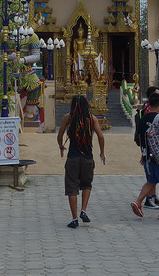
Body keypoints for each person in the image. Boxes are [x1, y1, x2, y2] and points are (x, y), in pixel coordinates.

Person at [56, 95, 106, 228]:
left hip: (72, 157)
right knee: (86, 184)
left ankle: (74, 219)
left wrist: (61, 146)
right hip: (87, 157)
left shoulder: (68, 117)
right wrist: (102, 152)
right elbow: (101, 136)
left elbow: (60, 134)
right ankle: (83, 210)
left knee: (72, 188)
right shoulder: (92, 118)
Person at [131, 93, 159, 220]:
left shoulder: (143, 119)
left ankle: (138, 201)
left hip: (147, 156)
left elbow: (140, 138)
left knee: (151, 181)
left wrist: (143, 153)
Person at [135, 86, 159, 209]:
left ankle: (153, 196)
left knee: (154, 173)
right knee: (151, 174)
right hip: (151, 146)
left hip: (151, 146)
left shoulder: (148, 108)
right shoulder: (148, 110)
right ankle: (148, 198)